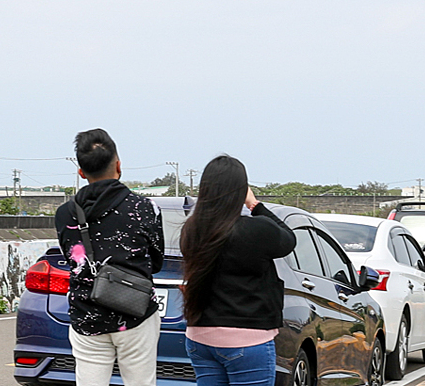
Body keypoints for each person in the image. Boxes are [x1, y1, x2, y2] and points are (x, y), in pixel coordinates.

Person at [54, 129, 164, 386]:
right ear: (118, 164)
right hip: (136, 313)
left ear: (81, 172)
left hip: (86, 315)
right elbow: (155, 262)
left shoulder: (65, 214)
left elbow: (73, 258)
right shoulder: (144, 207)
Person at [179, 155, 296, 386]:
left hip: (200, 337)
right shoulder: (256, 230)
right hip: (247, 339)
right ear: (241, 190)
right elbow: (288, 239)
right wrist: (255, 205)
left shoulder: (192, 230)